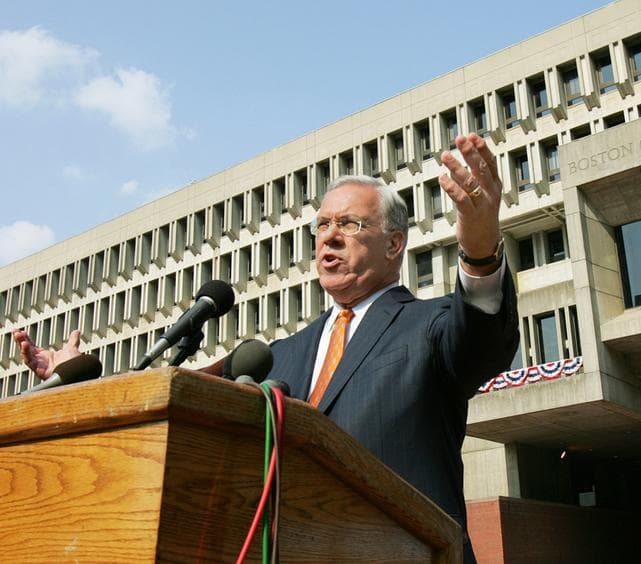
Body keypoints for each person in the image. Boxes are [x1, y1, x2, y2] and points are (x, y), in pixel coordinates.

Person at [14, 133, 519, 562]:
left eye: (349, 224)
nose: (330, 238)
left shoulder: (430, 326)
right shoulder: (280, 354)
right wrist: (74, 386)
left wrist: (478, 248)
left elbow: (482, 340)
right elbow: (184, 397)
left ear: (393, 245)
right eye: (322, 225)